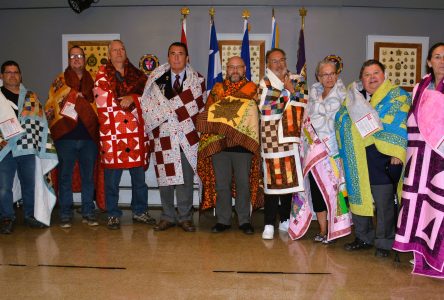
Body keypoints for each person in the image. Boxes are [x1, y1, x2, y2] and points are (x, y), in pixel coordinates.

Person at [336, 59, 411, 257]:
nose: (372, 78)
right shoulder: (353, 97)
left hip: (383, 156)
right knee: (358, 196)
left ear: (384, 75)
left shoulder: (398, 96)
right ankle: (363, 237)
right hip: (357, 155)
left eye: (375, 73)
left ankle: (385, 243)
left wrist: (397, 152)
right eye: (367, 75)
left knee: (384, 201)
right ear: (362, 78)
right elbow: (341, 118)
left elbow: (399, 122)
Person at [140, 42, 206, 232]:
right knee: (165, 178)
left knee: (185, 178)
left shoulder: (197, 81)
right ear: (168, 57)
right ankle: (167, 216)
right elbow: (148, 106)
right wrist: (166, 117)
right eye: (173, 54)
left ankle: (185, 217)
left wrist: (170, 112)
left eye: (180, 54)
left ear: (187, 58)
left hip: (187, 135)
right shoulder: (156, 79)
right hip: (164, 135)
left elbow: (198, 109)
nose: (176, 57)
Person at [393, 42, 444, 278]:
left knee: (438, 207)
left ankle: (438, 259)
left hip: (440, 159)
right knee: (417, 205)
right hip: (418, 157)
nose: (442, 61)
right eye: (437, 56)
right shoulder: (420, 87)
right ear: (429, 61)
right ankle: (420, 257)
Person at [289, 56, 352, 243]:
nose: (328, 78)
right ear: (318, 76)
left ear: (337, 74)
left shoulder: (346, 95)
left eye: (332, 74)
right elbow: (303, 122)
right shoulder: (312, 96)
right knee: (317, 194)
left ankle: (338, 228)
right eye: (324, 75)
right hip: (313, 154)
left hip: (334, 153)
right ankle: (323, 230)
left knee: (337, 192)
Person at [197, 56, 261, 235]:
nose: (235, 71)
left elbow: (257, 115)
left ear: (244, 69)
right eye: (231, 67)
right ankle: (223, 220)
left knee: (243, 184)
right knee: (222, 185)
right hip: (220, 145)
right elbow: (210, 113)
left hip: (244, 146)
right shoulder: (218, 89)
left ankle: (244, 221)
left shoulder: (253, 90)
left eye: (238, 67)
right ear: (226, 69)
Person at [94, 40, 154, 230]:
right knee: (112, 179)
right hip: (113, 135)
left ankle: (140, 211)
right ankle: (113, 213)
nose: (119, 53)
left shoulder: (138, 75)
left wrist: (133, 98)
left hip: (135, 135)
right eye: (115, 50)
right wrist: (125, 106)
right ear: (109, 54)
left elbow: (149, 98)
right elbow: (103, 104)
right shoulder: (102, 76)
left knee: (139, 179)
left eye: (122, 49)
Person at [0, 60, 58, 234]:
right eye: (8, 72)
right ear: (2, 76)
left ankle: (30, 215)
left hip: (27, 147)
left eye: (15, 72)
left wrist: (41, 146)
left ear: (20, 75)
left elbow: (40, 122)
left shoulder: (31, 97)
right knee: (3, 186)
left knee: (30, 184)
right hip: (5, 148)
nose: (12, 75)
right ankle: (6, 217)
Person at [45, 46, 100, 228]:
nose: (76, 59)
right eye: (73, 56)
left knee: (88, 177)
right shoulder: (59, 81)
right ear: (69, 60)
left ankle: (88, 212)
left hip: (88, 137)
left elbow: (100, 105)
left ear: (85, 59)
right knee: (65, 177)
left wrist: (82, 99)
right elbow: (51, 105)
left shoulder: (94, 80)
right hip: (66, 137)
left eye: (79, 56)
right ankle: (66, 214)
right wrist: (72, 97)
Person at [257, 48, 307, 240]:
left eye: (281, 60)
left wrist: (292, 90)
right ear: (268, 64)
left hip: (292, 137)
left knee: (289, 180)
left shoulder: (297, 79)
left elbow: (304, 102)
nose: (278, 64)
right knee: (272, 182)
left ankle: (286, 218)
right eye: (274, 61)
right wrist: (288, 93)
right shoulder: (264, 83)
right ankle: (269, 222)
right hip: (271, 138)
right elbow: (267, 109)